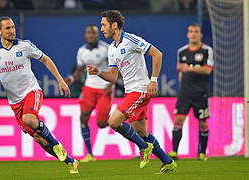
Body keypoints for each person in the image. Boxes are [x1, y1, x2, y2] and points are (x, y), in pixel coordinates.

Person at [0, 16, 79, 174]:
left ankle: (56, 144)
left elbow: (46, 60)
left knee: (29, 118)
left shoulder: (25, 45)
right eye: (7, 28)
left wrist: (60, 80)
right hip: (14, 101)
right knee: (40, 140)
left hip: (31, 91)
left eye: (13, 27)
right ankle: (71, 161)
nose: (12, 30)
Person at [87, 10, 177, 174]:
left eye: (104, 25)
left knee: (113, 122)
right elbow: (114, 77)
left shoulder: (131, 40)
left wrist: (154, 80)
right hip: (130, 92)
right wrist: (99, 72)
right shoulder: (111, 49)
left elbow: (157, 54)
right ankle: (167, 162)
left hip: (141, 90)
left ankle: (143, 148)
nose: (102, 29)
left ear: (114, 25)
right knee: (141, 132)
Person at [65, 24, 113, 162]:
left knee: (101, 123)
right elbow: (80, 70)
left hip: (104, 88)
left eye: (93, 33)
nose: (91, 35)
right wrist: (72, 78)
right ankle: (90, 155)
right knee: (83, 117)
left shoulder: (107, 49)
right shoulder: (81, 51)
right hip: (89, 88)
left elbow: (117, 68)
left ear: (98, 35)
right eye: (88, 33)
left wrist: (111, 84)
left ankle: (117, 119)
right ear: (85, 35)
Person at [168, 23, 214, 161]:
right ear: (188, 34)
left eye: (196, 31)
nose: (193, 34)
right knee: (178, 120)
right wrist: (183, 87)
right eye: (191, 31)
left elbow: (208, 70)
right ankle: (174, 152)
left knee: (203, 123)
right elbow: (181, 73)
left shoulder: (207, 50)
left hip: (201, 93)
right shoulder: (181, 51)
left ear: (200, 34)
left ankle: (202, 153)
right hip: (185, 93)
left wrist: (189, 68)